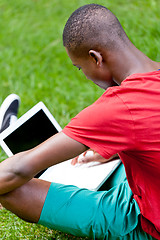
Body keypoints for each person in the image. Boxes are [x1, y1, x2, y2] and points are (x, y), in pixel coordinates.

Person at [0, 3, 159, 239]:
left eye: (79, 68)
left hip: (146, 221)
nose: (84, 75)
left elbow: (20, 169)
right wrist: (116, 150)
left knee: (11, 189)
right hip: (148, 182)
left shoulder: (122, 106)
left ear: (95, 58)